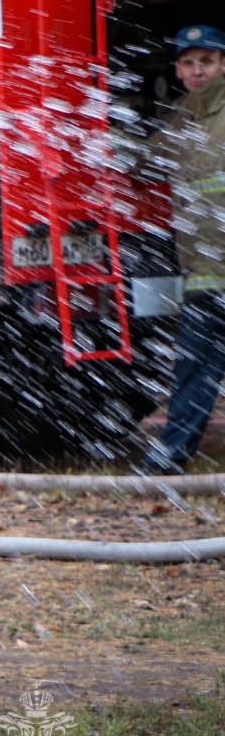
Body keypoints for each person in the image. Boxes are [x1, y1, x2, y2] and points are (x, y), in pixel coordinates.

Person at [140, 24, 225, 474]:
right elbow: (146, 160)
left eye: (206, 61)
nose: (197, 70)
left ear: (223, 64)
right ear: (177, 68)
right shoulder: (183, 116)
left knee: (197, 367)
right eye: (189, 62)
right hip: (205, 273)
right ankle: (167, 461)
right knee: (193, 370)